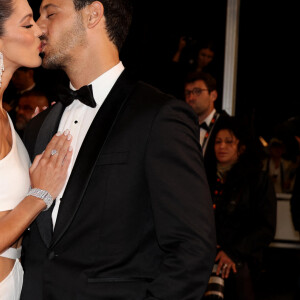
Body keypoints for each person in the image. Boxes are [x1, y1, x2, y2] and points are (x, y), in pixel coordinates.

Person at [20, 0, 216, 299]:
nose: (38, 26)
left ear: (93, 15)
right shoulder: (40, 126)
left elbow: (191, 249)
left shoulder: (158, 116)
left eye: (50, 13)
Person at [0, 0, 73, 298]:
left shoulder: (5, 116)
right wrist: (39, 194)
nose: (41, 31)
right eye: (27, 23)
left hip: (15, 280)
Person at [205, 117, 276, 299]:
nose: (222, 147)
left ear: (242, 147)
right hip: (204, 261)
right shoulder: (203, 177)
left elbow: (265, 228)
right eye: (218, 142)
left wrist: (232, 252)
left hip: (240, 265)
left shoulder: (257, 180)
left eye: (229, 142)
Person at [184, 71, 228, 171]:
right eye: (188, 93)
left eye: (197, 91)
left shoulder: (228, 125)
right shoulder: (182, 126)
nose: (191, 98)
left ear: (213, 95)